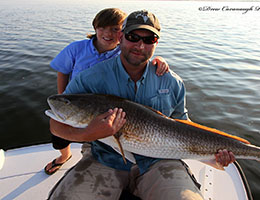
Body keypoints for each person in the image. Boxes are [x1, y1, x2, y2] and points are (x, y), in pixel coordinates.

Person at [47, 10, 235, 200]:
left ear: (156, 43)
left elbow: (184, 125)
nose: (140, 45)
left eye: (149, 39)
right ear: (120, 37)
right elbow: (56, 126)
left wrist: (215, 154)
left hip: (161, 161)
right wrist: (88, 134)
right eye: (132, 37)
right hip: (103, 158)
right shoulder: (89, 78)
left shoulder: (172, 82)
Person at [45, 8, 170, 175]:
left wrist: (159, 59)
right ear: (95, 28)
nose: (107, 33)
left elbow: (140, 54)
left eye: (114, 29)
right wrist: (64, 97)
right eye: (102, 27)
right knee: (61, 135)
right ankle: (64, 156)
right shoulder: (76, 48)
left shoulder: (123, 51)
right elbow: (63, 71)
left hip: (104, 104)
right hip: (77, 100)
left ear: (120, 35)